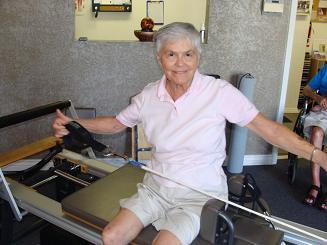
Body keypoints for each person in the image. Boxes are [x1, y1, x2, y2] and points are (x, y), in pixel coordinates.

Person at [53, 22, 327, 245]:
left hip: (200, 194)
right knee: (111, 236)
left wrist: (316, 154)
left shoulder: (218, 93)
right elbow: (115, 124)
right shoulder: (149, 95)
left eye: (189, 54)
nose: (180, 63)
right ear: (159, 58)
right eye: (171, 54)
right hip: (155, 189)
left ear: (198, 57)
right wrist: (75, 123)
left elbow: (267, 128)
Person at [303, 64, 327, 210]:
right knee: (316, 132)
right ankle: (316, 185)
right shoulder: (325, 69)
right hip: (323, 111)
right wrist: (318, 98)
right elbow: (307, 89)